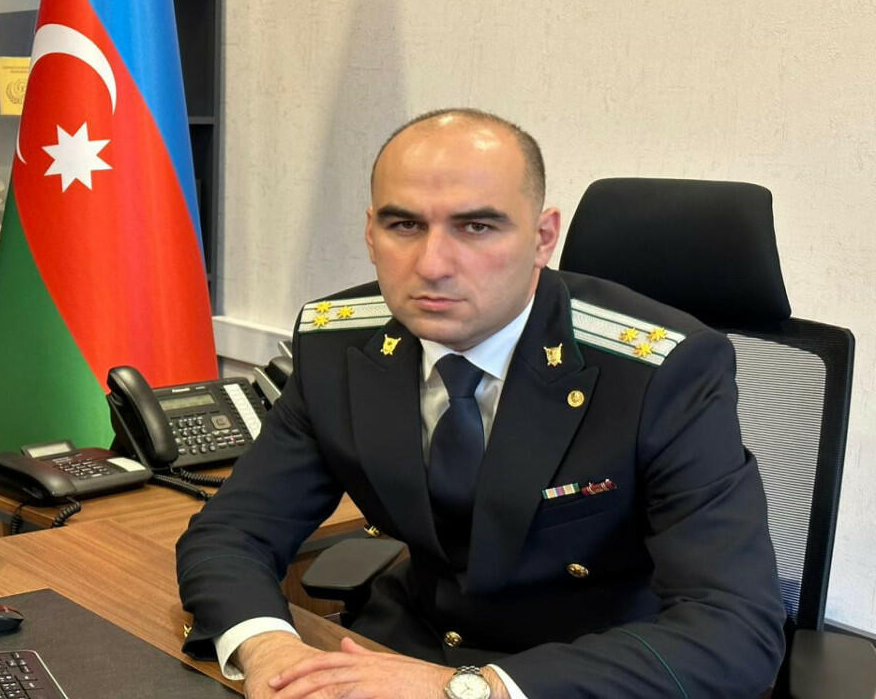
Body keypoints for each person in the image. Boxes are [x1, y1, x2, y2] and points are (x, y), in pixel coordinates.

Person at [176, 109, 786, 698]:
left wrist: (471, 688)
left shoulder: (663, 370)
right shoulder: (338, 344)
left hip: (583, 674)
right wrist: (269, 650)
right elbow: (233, 532)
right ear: (370, 233)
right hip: (407, 649)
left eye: (476, 227)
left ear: (543, 238)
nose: (432, 265)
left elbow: (735, 628)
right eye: (404, 225)